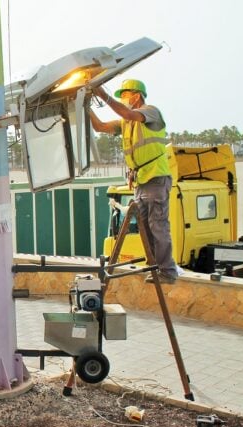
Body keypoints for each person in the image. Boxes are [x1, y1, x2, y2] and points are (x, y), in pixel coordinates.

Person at [89, 79, 177, 284]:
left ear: (136, 96)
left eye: (125, 95)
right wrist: (85, 106)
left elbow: (127, 113)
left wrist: (103, 95)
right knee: (145, 229)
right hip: (142, 181)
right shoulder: (125, 123)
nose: (123, 100)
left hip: (156, 177)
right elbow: (100, 126)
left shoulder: (151, 112)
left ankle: (167, 271)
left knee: (158, 226)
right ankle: (155, 266)